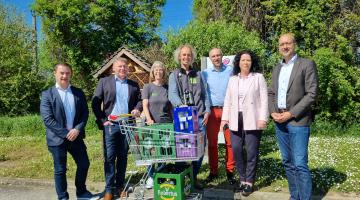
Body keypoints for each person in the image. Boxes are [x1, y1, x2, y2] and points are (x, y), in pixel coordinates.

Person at [268, 33, 318, 200]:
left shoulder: (306, 64)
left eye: (288, 43)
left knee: (300, 164)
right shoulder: (277, 68)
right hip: (279, 122)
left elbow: (311, 94)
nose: (284, 46)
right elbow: (271, 93)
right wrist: (272, 111)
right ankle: (294, 196)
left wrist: (290, 113)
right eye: (281, 44)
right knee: (287, 163)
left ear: (294, 44)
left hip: (298, 121)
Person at [40, 63, 95, 200]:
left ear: (71, 74)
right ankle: (63, 197)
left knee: (84, 164)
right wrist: (66, 133)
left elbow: (84, 113)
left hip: (76, 136)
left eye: (67, 73)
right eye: (61, 73)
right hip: (57, 139)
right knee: (60, 170)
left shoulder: (78, 92)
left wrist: (77, 129)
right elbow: (48, 119)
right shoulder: (47, 94)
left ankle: (81, 192)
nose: (64, 76)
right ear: (55, 73)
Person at [92, 57, 142, 200]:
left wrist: (137, 109)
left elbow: (139, 100)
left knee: (122, 157)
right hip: (111, 126)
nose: (122, 69)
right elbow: (95, 103)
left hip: (127, 125)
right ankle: (109, 189)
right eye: (119, 66)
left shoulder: (134, 84)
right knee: (109, 157)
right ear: (113, 68)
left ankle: (120, 186)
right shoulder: (104, 82)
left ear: (128, 69)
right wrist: (102, 120)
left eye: (125, 67)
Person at [221, 50, 269, 196]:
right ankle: (242, 178)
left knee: (251, 151)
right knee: (236, 149)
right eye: (243, 60)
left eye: (248, 60)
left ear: (252, 62)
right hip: (235, 118)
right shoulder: (233, 79)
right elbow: (228, 99)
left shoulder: (258, 77)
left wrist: (263, 118)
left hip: (253, 118)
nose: (246, 62)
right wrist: (224, 118)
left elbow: (264, 99)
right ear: (238, 62)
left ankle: (249, 181)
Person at [168, 44, 210, 189]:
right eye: (183, 54)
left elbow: (205, 95)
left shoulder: (199, 75)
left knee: (199, 149)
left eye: (189, 55)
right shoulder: (173, 75)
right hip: (182, 120)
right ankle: (181, 178)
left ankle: (193, 177)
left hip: (199, 118)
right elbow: (172, 94)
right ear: (179, 57)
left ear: (192, 57)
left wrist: (208, 111)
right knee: (183, 150)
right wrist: (181, 106)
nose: (186, 57)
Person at [202, 48, 236, 185]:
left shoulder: (231, 71)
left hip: (228, 111)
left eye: (218, 55)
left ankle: (230, 172)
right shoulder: (204, 74)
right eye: (213, 56)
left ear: (222, 56)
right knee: (212, 144)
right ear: (210, 59)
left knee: (230, 143)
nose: (216, 58)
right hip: (211, 112)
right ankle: (213, 171)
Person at [141, 61, 172, 189]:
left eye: (161, 69)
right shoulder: (148, 87)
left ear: (163, 72)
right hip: (151, 124)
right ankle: (150, 176)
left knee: (163, 150)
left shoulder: (167, 87)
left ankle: (160, 174)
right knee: (150, 152)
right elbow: (145, 105)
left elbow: (171, 106)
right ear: (153, 72)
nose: (158, 72)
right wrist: (148, 119)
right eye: (156, 70)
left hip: (165, 124)